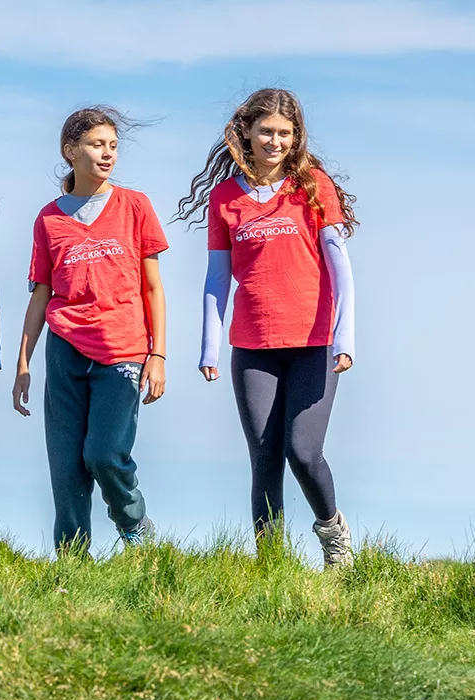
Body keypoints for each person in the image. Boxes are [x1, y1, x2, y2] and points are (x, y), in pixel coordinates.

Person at [175, 88, 358, 569]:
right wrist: (209, 348)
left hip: (314, 343)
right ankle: (271, 566)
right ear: (248, 135)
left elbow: (340, 267)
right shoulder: (225, 198)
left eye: (285, 133)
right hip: (253, 345)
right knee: (264, 458)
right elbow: (217, 277)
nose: (275, 141)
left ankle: (333, 535)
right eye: (267, 132)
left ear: (295, 138)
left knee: (302, 452)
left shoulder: (313, 186)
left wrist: (345, 337)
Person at [12, 106, 167, 556]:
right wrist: (23, 362)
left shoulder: (135, 206)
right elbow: (40, 295)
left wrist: (158, 355)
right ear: (70, 151)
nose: (108, 154)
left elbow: (153, 287)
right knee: (66, 469)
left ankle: (133, 523)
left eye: (113, 146)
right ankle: (73, 565)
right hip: (64, 350)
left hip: (122, 348)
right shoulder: (48, 219)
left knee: (102, 454)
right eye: (97, 144)